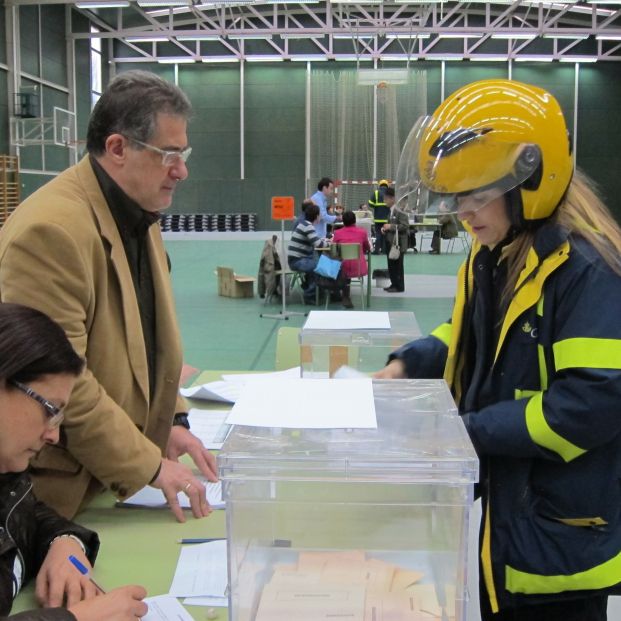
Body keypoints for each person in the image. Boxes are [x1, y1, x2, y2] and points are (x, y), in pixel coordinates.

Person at [376, 79, 621, 621]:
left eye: (476, 194)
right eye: (456, 196)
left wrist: (467, 432)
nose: (462, 212)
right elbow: (465, 335)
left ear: (529, 179)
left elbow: (591, 404)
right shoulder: (498, 255)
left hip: (558, 540)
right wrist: (409, 363)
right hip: (512, 517)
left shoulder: (587, 272)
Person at [0, 70, 217, 523]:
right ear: (118, 149)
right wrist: (149, 465)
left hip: (114, 473)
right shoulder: (52, 231)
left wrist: (173, 421)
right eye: (169, 154)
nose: (182, 170)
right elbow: (59, 384)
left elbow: (154, 340)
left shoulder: (138, 210)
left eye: (185, 152)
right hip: (64, 493)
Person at [0, 302, 147, 621]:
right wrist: (78, 618)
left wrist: (65, 543)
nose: (53, 436)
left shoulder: (8, 474)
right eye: (50, 409)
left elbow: (29, 515)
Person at [287, 202, 327, 305]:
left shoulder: (304, 224)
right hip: (297, 261)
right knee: (321, 268)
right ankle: (309, 295)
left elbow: (314, 240)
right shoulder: (308, 227)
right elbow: (318, 244)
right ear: (317, 216)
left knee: (315, 266)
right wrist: (328, 243)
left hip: (296, 259)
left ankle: (309, 288)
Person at [332, 210, 371, 309]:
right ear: (355, 221)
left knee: (341, 266)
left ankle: (341, 294)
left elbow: (333, 250)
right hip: (358, 268)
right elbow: (367, 248)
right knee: (350, 265)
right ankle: (346, 296)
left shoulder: (337, 233)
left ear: (343, 222)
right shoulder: (362, 232)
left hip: (342, 267)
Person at [381, 187, 408, 293]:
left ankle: (399, 286)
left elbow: (405, 226)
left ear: (392, 198)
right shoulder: (391, 211)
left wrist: (390, 227)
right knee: (391, 264)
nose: (384, 201)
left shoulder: (400, 211)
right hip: (390, 242)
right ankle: (393, 283)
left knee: (398, 265)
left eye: (386, 199)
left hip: (398, 243)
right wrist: (385, 229)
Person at [368, 179, 391, 255]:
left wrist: (376, 206)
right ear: (387, 185)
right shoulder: (389, 193)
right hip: (387, 219)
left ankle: (376, 251)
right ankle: (385, 251)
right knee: (386, 234)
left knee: (378, 234)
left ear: (380, 185)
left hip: (378, 218)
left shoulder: (376, 192)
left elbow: (370, 203)